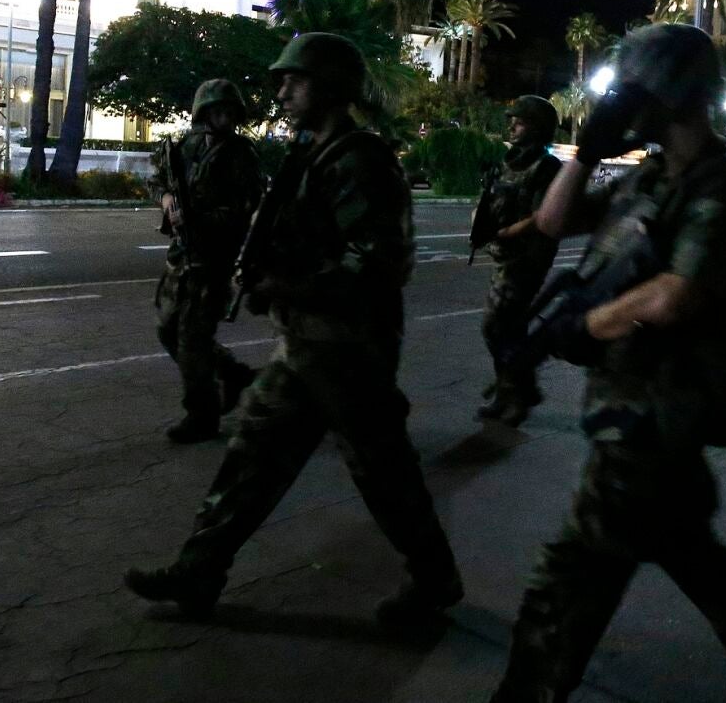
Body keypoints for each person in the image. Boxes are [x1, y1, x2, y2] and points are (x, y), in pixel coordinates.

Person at [490, 24, 726, 702]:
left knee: (561, 591)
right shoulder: (647, 177)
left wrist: (578, 325)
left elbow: (676, 294)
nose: (623, 101)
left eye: (633, 87)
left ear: (675, 91)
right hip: (634, 412)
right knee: (697, 561)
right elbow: (556, 222)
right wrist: (586, 153)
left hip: (656, 417)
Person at [126, 33, 461, 627]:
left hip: (349, 350)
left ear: (328, 86)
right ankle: (199, 570)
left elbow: (381, 263)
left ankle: (434, 579)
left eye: (294, 80)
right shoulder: (310, 153)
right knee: (252, 456)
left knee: (384, 473)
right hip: (307, 344)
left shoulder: (359, 158)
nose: (280, 90)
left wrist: (289, 285)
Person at [150, 78, 264, 443]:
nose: (224, 117)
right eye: (217, 110)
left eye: (230, 111)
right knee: (167, 330)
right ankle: (230, 371)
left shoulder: (241, 155)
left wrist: (197, 218)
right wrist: (167, 201)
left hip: (214, 260)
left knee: (192, 341)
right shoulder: (187, 146)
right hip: (181, 256)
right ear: (203, 113)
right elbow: (157, 180)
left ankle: (202, 414)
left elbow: (245, 212)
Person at [476, 95, 562, 426]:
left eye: (520, 121)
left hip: (527, 257)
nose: (512, 125)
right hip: (504, 255)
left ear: (538, 127)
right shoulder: (510, 161)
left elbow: (545, 214)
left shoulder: (547, 166)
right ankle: (510, 391)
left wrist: (509, 231)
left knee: (497, 325)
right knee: (506, 327)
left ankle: (517, 391)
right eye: (511, 119)